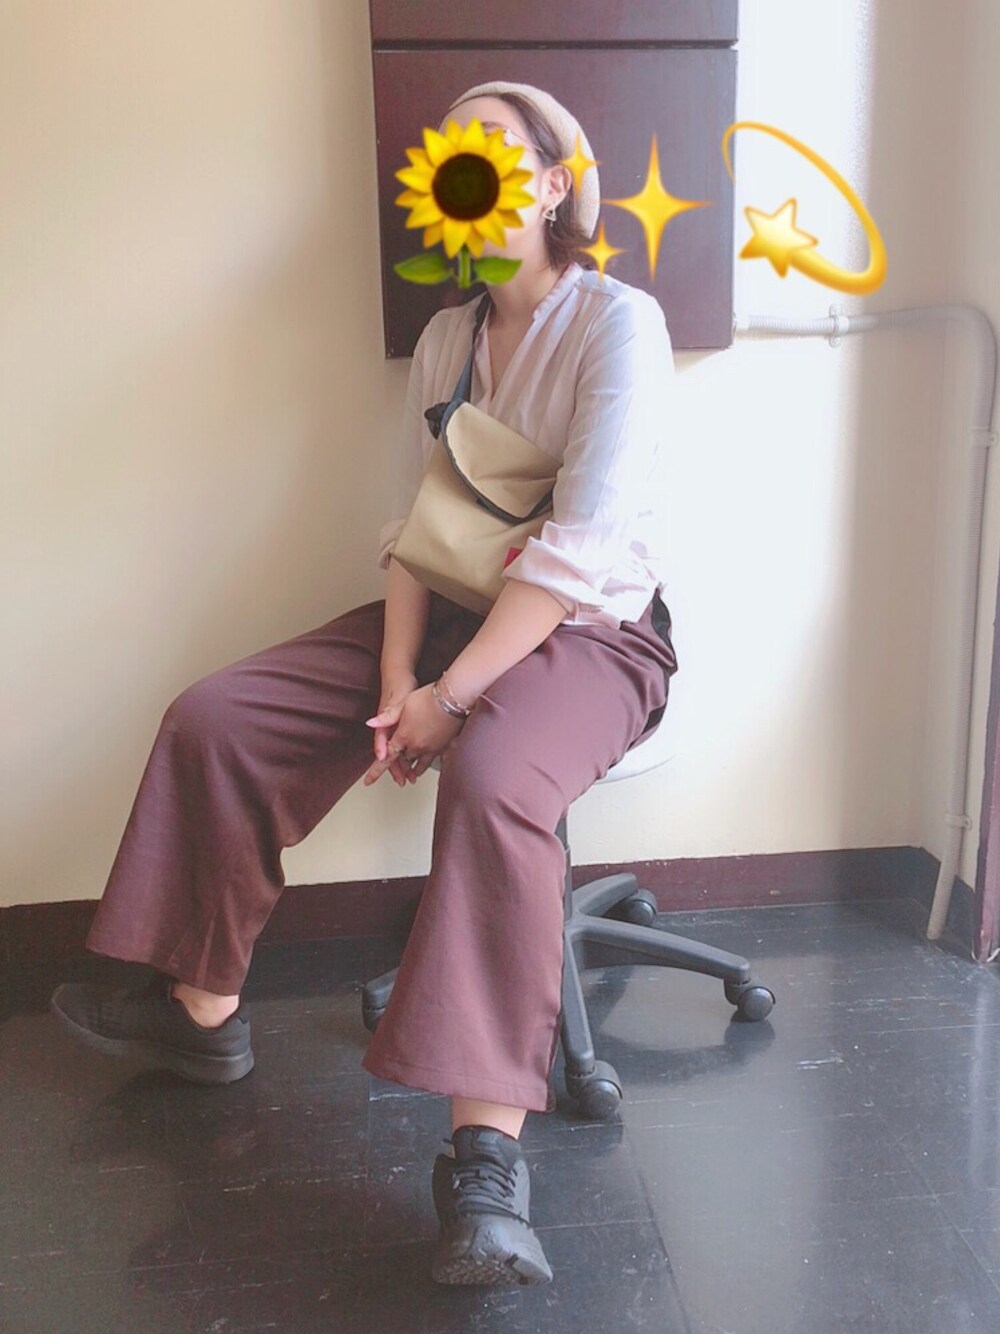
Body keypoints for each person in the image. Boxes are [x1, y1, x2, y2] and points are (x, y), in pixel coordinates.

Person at [48, 80, 679, 1288]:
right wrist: (399, 678)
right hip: (453, 613)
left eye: (495, 146)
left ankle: (486, 1164)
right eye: (453, 149)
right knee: (218, 718)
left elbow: (579, 553)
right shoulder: (446, 342)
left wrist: (452, 700)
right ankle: (201, 1008)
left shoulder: (617, 325)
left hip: (592, 633)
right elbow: (423, 534)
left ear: (554, 183)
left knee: (493, 777)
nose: (466, 160)